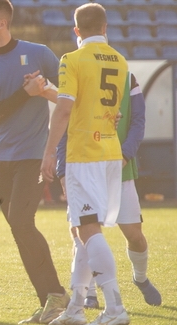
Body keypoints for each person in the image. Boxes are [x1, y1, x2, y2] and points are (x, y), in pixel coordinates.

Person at [0, 0, 69, 325]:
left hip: (34, 154)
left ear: (1, 23)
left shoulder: (38, 53)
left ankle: (57, 295)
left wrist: (46, 93)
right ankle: (49, 302)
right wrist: (25, 94)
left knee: (22, 222)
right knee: (18, 227)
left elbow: (69, 96)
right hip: (1, 157)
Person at [41, 3, 130, 325]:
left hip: (85, 153)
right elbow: (113, 110)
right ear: (105, 27)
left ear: (76, 30)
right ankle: (77, 306)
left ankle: (115, 307)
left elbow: (65, 109)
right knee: (82, 230)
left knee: (88, 228)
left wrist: (50, 152)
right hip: (109, 150)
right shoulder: (120, 60)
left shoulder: (72, 60)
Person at [56, 73, 162, 309]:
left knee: (135, 236)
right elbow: (64, 125)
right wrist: (62, 171)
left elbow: (137, 121)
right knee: (81, 233)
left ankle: (140, 278)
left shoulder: (126, 77)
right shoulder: (76, 73)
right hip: (83, 169)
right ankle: (89, 294)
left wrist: (124, 155)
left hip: (120, 172)